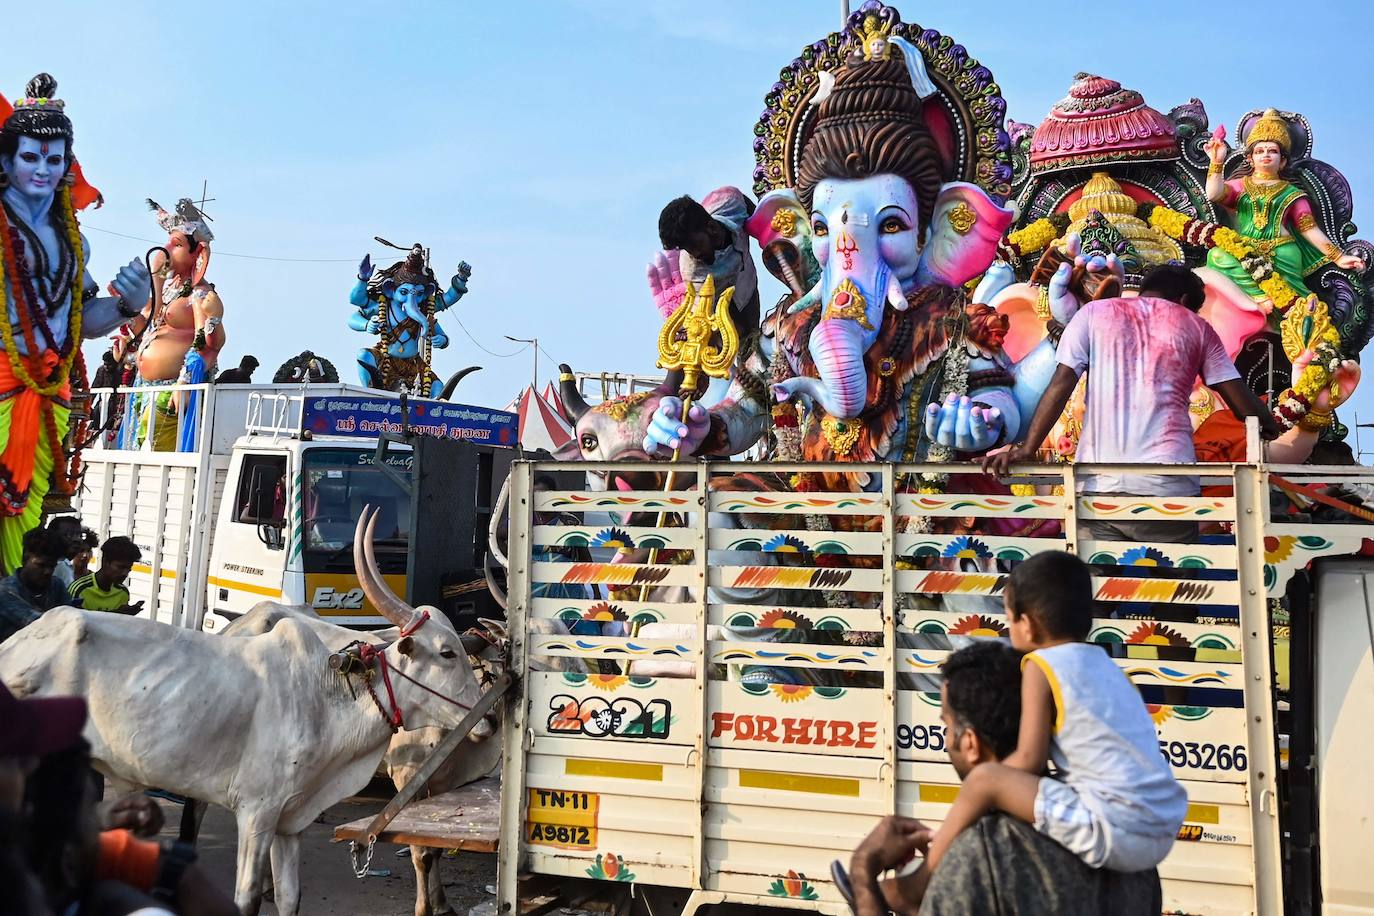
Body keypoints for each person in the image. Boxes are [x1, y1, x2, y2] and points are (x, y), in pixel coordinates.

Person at [902, 553, 1185, 907]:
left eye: (1008, 619)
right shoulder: (1108, 667)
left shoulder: (1040, 665)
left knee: (984, 780)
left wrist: (990, 794)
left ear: (1029, 625)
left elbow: (1030, 760)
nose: (1008, 630)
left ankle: (917, 886)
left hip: (1115, 827)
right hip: (1161, 826)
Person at [849, 640, 1163, 916]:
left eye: (946, 724)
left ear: (970, 742)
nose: (946, 737)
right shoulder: (1125, 835)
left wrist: (863, 876)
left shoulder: (981, 854)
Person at [984, 263, 1280, 541]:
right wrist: (1268, 423)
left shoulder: (1092, 314)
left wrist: (1028, 449)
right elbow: (1241, 404)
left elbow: (1060, 384)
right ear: (1185, 299)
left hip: (1096, 488)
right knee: (1178, 586)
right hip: (1168, 488)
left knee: (1101, 587)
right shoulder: (1196, 326)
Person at [654, 188, 760, 333]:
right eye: (686, 248)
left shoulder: (730, 202)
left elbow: (757, 216)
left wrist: (762, 231)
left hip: (747, 287)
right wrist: (683, 328)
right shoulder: (693, 271)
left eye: (694, 245)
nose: (695, 253)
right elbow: (700, 315)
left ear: (712, 228)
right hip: (722, 312)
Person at [0, 527, 70, 642]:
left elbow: (70, 617)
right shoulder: (5, 591)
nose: (47, 572)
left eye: (52, 566)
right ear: (24, 559)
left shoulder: (57, 585)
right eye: (41, 565)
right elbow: (39, 625)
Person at [68, 536, 142, 615]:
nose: (125, 573)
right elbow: (73, 622)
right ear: (105, 561)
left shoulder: (123, 593)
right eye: (120, 567)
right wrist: (118, 613)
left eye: (129, 568)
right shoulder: (79, 589)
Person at [46, 515, 82, 589]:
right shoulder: (60, 566)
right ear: (53, 537)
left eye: (79, 535)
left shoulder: (65, 564)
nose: (77, 539)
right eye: (69, 535)